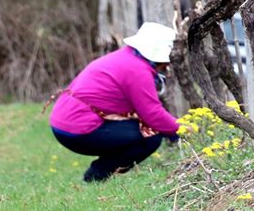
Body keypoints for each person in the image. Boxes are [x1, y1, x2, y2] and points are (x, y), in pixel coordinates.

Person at [49, 22, 180, 182]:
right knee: (150, 137)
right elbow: (152, 115)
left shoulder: (126, 57)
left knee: (138, 131)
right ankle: (97, 175)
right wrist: (184, 130)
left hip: (62, 122)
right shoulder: (138, 70)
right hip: (78, 129)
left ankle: (101, 171)